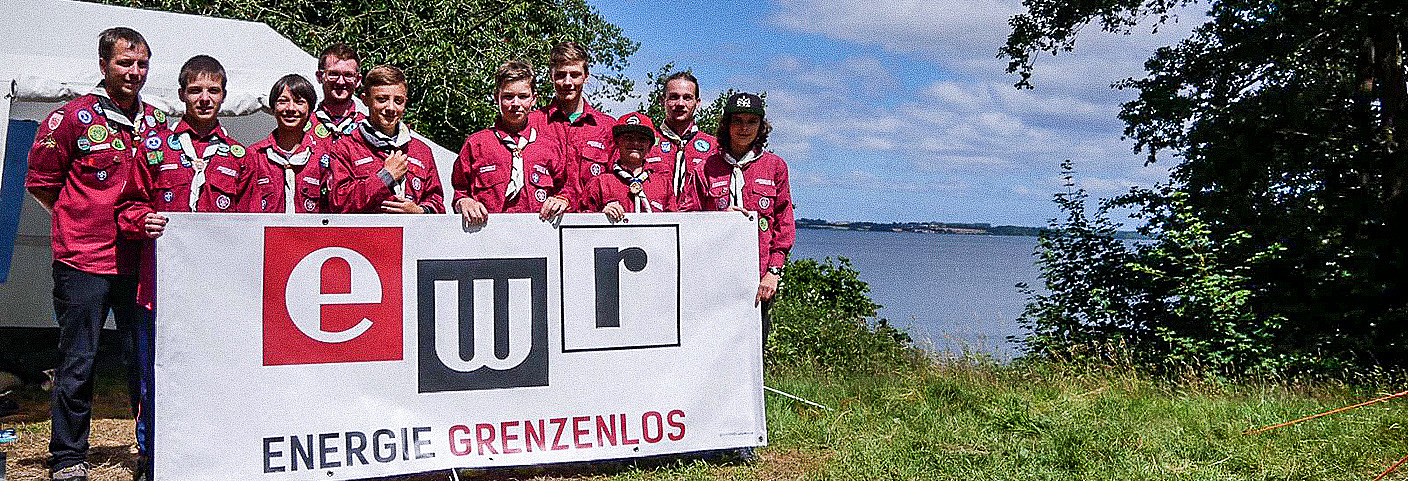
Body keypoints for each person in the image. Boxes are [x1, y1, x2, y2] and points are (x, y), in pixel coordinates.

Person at [25, 27, 165, 481]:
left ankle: (151, 450)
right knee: (78, 360)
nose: (135, 72)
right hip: (83, 260)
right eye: (126, 63)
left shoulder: (157, 123)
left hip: (139, 261)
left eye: (142, 63)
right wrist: (79, 218)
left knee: (141, 359)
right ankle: (68, 456)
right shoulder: (70, 118)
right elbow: (41, 183)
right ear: (104, 65)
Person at [680, 93, 794, 333]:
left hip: (758, 279)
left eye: (751, 122)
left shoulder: (775, 167)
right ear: (727, 125)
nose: (744, 128)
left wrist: (773, 272)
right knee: (710, 344)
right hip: (713, 277)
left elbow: (783, 224)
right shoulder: (705, 168)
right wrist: (719, 220)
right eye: (738, 121)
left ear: (761, 126)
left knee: (753, 354)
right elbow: (687, 217)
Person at [452, 60, 572, 225]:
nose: (516, 104)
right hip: (487, 236)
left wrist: (561, 200)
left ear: (533, 98)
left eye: (523, 97)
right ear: (497, 97)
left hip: (539, 237)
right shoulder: (476, 144)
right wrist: (464, 202)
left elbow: (566, 189)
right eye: (508, 97)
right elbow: (460, 191)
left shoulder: (549, 147)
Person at [140, 55, 259, 213]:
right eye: (195, 91)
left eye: (213, 91)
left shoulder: (240, 157)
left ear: (223, 95)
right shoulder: (154, 149)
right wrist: (144, 220)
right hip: (166, 238)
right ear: (182, 95)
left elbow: (250, 220)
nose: (205, 99)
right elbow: (132, 205)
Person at [324, 65, 444, 214]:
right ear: (365, 99)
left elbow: (437, 204)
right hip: (366, 235)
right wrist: (385, 177)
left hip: (410, 236)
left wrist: (420, 212)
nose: (391, 108)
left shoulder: (421, 151)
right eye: (382, 99)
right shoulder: (345, 147)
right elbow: (338, 203)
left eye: (398, 101)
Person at [529, 41, 615, 211]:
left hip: (593, 224)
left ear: (586, 76)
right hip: (544, 223)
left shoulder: (607, 127)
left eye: (574, 75)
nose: (568, 82)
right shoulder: (533, 123)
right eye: (561, 75)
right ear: (551, 76)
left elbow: (617, 179)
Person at [248, 74, 328, 213]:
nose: (291, 108)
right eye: (283, 101)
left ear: (310, 110)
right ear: (272, 109)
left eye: (299, 102)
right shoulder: (254, 157)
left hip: (309, 234)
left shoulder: (322, 159)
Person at [582, 112, 674, 220]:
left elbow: (675, 222)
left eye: (642, 139)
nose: (635, 143)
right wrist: (600, 215)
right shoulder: (599, 184)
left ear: (649, 147)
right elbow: (581, 220)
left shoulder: (663, 185)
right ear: (616, 143)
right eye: (628, 138)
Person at [650, 72, 717, 209]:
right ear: (662, 100)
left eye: (687, 98)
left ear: (697, 103)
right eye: (674, 97)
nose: (680, 103)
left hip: (698, 225)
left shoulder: (714, 147)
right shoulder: (646, 142)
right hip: (653, 224)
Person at [311, 43, 366, 140]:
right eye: (333, 74)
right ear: (320, 77)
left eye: (348, 75)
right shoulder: (302, 126)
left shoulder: (368, 128)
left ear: (357, 80)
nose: (341, 82)